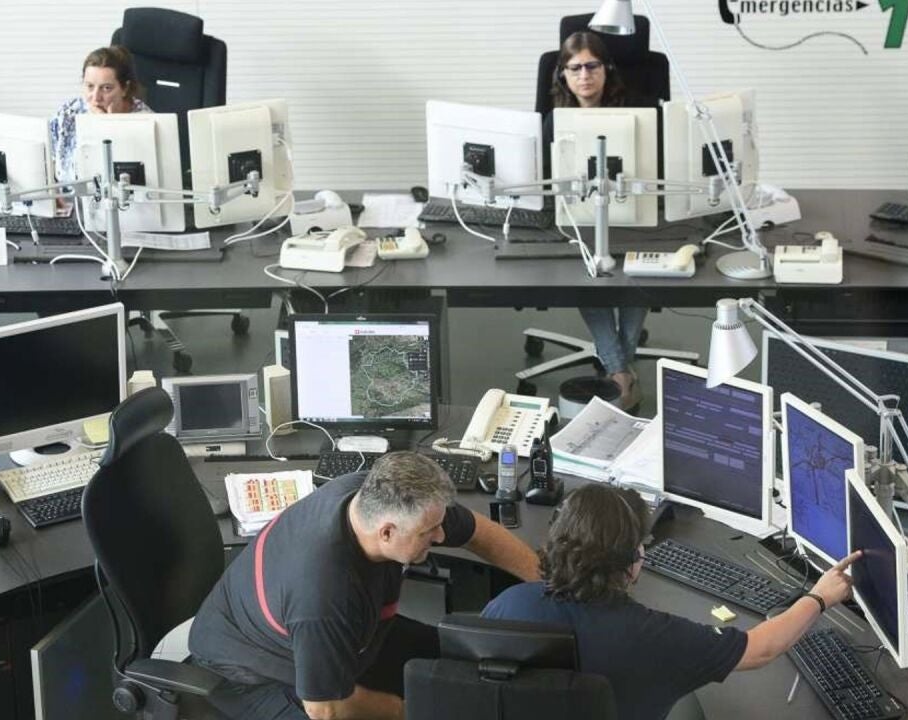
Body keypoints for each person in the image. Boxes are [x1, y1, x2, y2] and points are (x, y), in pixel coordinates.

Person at [189, 451, 541, 720]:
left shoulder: (377, 495)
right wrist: (407, 710)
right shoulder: (324, 596)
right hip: (252, 675)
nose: (441, 536)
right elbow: (326, 708)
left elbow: (477, 531)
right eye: (429, 532)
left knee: (460, 660)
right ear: (386, 533)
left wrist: (551, 584)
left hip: (348, 632)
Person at [482, 484, 860, 720]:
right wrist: (820, 597)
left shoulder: (506, 606)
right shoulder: (651, 636)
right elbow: (762, 648)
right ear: (631, 561)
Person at [547, 31, 659, 410]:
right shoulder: (554, 121)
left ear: (606, 69)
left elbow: (657, 171)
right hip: (578, 220)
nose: (584, 75)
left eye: (592, 66)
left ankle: (617, 368)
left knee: (637, 272)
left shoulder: (639, 113)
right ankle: (622, 372)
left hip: (633, 215)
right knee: (589, 269)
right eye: (574, 68)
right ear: (562, 74)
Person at [48, 46, 151, 183]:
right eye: (90, 86)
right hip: (67, 196)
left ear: (125, 89)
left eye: (106, 88)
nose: (96, 97)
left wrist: (107, 127)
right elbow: (48, 163)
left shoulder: (145, 121)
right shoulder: (68, 113)